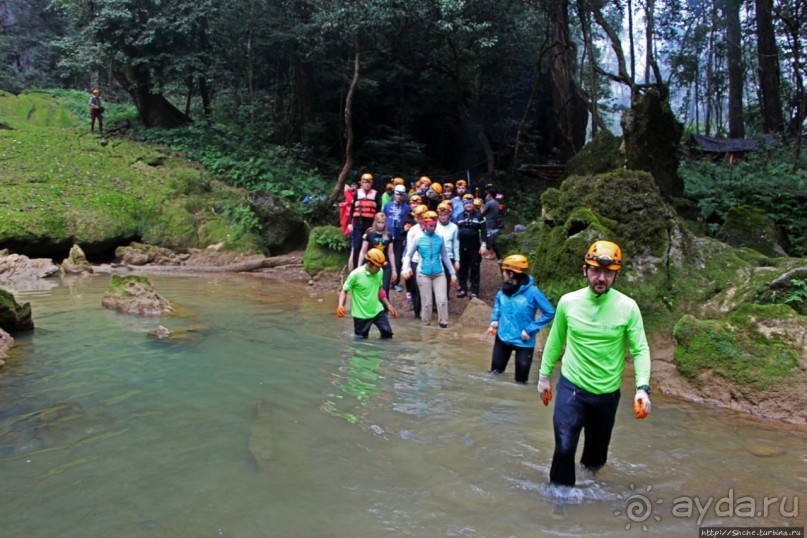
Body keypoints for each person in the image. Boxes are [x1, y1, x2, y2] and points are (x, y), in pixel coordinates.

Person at [536, 240, 652, 487]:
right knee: (565, 447)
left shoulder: (628, 307)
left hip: (607, 395)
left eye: (608, 273)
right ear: (585, 270)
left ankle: (590, 492)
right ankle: (559, 504)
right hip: (572, 389)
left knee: (595, 460)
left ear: (616, 274)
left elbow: (640, 349)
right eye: (596, 271)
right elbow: (555, 341)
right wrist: (543, 378)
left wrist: (642, 388)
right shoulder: (569, 302)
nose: (601, 278)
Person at [487, 255, 555, 384]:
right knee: (494, 377)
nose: (503, 275)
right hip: (503, 338)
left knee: (521, 383)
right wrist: (494, 319)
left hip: (524, 341)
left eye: (504, 272)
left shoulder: (533, 292)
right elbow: (498, 302)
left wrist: (530, 330)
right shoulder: (504, 289)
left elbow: (549, 312)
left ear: (511, 274)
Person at [402, 210, 457, 328]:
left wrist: (452, 273)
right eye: (431, 226)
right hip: (423, 273)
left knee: (442, 300)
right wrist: (406, 267)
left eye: (434, 226)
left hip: (439, 273)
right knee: (427, 303)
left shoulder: (440, 238)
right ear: (425, 225)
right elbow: (408, 255)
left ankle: (443, 325)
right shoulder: (418, 238)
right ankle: (426, 326)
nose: (433, 228)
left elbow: (445, 257)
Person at [337, 248, 398, 339]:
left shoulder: (380, 272)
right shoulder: (355, 275)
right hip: (361, 315)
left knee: (387, 334)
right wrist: (340, 305)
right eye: (377, 267)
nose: (379, 269)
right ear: (369, 263)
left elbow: (380, 290)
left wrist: (388, 305)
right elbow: (344, 290)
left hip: (377, 311)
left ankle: (381, 351)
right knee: (361, 340)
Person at [358, 212, 397, 295]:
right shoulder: (369, 234)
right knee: (369, 288)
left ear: (385, 223)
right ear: (375, 222)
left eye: (382, 223)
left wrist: (394, 269)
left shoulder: (389, 235)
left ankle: (384, 307)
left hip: (384, 265)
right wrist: (359, 267)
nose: (380, 225)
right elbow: (362, 251)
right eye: (379, 222)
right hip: (370, 264)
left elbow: (391, 253)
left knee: (384, 289)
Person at [348, 173, 380, 270]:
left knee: (370, 247)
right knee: (357, 247)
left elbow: (378, 211)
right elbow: (352, 209)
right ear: (361, 183)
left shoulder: (376, 194)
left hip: (370, 224)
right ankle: (355, 270)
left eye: (369, 183)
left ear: (371, 183)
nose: (367, 184)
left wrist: (377, 225)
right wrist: (350, 223)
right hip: (358, 223)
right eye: (365, 182)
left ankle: (368, 268)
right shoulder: (357, 193)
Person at [455, 195, 485, 298]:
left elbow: (484, 230)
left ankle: (474, 291)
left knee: (475, 269)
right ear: (463, 205)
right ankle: (463, 289)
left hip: (474, 248)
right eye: (466, 203)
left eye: (470, 203)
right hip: (461, 248)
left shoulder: (479, 216)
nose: (468, 205)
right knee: (462, 269)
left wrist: (484, 244)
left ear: (473, 204)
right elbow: (454, 231)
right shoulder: (459, 216)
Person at [383, 184, 409, 292]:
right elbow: (383, 219)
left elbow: (408, 222)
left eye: (401, 195)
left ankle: (395, 282)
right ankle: (383, 280)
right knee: (384, 259)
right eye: (397, 194)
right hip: (388, 236)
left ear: (403, 195)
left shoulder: (407, 208)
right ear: (394, 194)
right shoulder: (387, 206)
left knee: (398, 261)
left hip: (399, 237)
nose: (399, 196)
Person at [435, 201, 459, 291]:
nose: (442, 217)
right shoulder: (434, 226)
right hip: (436, 256)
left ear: (449, 214)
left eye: (444, 215)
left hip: (449, 256)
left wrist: (457, 260)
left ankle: (446, 296)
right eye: (440, 215)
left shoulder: (454, 227)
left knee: (447, 278)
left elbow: (456, 244)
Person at [481, 187, 500, 260]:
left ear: (489, 194)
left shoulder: (489, 203)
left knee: (489, 237)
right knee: (492, 236)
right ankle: (492, 253)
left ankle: (490, 254)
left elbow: (483, 212)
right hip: (495, 221)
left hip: (489, 221)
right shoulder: (496, 202)